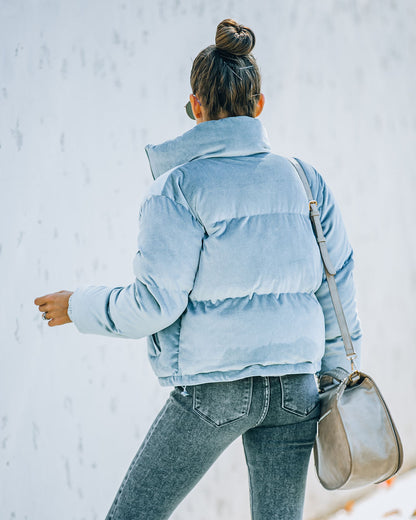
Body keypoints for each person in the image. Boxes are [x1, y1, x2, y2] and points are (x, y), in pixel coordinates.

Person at [34, 18, 362, 520]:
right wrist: (335, 372)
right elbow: (336, 286)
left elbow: (154, 304)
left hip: (215, 390)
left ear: (196, 105)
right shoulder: (304, 180)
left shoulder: (178, 189)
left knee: (133, 514)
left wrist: (77, 305)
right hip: (297, 387)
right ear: (259, 105)